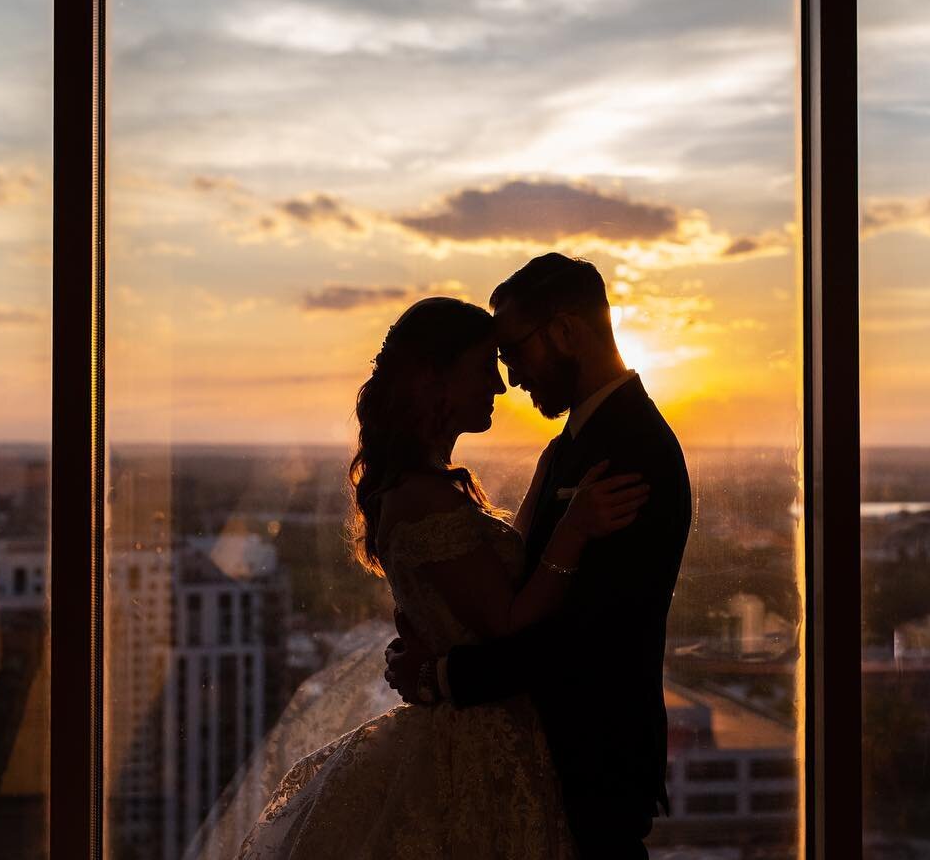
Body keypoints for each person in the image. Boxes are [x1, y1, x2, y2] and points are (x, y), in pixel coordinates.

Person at [236, 294, 651, 859]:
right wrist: (574, 530)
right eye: (483, 367)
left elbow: (494, 574)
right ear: (435, 379)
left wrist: (549, 474)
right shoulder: (423, 498)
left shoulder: (429, 486)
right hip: (477, 749)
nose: (500, 386)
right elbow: (508, 619)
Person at [386, 254, 694, 859]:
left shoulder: (630, 452)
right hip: (550, 766)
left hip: (592, 765)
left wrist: (443, 674)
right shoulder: (574, 448)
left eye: (514, 352)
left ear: (565, 332)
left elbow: (589, 634)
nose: (511, 378)